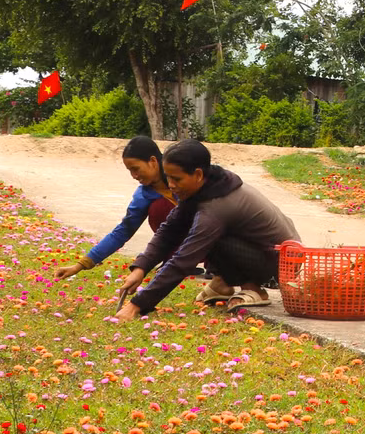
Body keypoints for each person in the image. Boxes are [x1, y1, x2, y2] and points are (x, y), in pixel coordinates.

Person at [114, 139, 300, 320]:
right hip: (264, 253)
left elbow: (184, 260)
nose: (170, 184)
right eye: (168, 176)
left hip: (280, 264)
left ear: (198, 175)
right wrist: (140, 267)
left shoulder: (217, 206)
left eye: (176, 178)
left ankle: (253, 288)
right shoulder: (207, 188)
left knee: (205, 235)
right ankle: (223, 283)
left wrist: (137, 305)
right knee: (199, 229)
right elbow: (168, 231)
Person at [55, 136, 177, 280]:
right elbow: (122, 232)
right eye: (129, 171)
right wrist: (80, 265)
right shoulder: (144, 195)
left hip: (206, 230)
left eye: (135, 169)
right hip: (187, 239)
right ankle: (176, 257)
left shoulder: (182, 172)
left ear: (153, 161)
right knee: (158, 208)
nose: (133, 176)